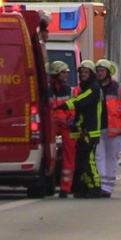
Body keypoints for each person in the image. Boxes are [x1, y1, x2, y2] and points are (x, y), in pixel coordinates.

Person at [59, 59, 104, 198]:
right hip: (83, 130)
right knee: (82, 160)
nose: (82, 75)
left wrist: (64, 105)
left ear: (91, 74)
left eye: (85, 72)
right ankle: (84, 187)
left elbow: (80, 101)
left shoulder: (93, 87)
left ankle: (95, 187)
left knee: (89, 160)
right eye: (81, 72)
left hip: (90, 131)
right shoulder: (86, 87)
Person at [94, 58, 121, 198]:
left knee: (111, 158)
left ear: (108, 72)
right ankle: (102, 185)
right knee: (99, 157)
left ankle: (108, 187)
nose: (99, 73)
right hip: (98, 129)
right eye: (98, 71)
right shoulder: (94, 86)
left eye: (102, 71)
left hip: (114, 130)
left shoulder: (118, 88)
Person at [48, 61, 76, 198]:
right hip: (52, 126)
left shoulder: (69, 90)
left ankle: (66, 188)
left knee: (69, 155)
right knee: (48, 155)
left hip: (66, 126)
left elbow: (73, 109)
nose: (66, 75)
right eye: (63, 72)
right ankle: (49, 184)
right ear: (56, 73)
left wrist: (71, 120)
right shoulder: (47, 90)